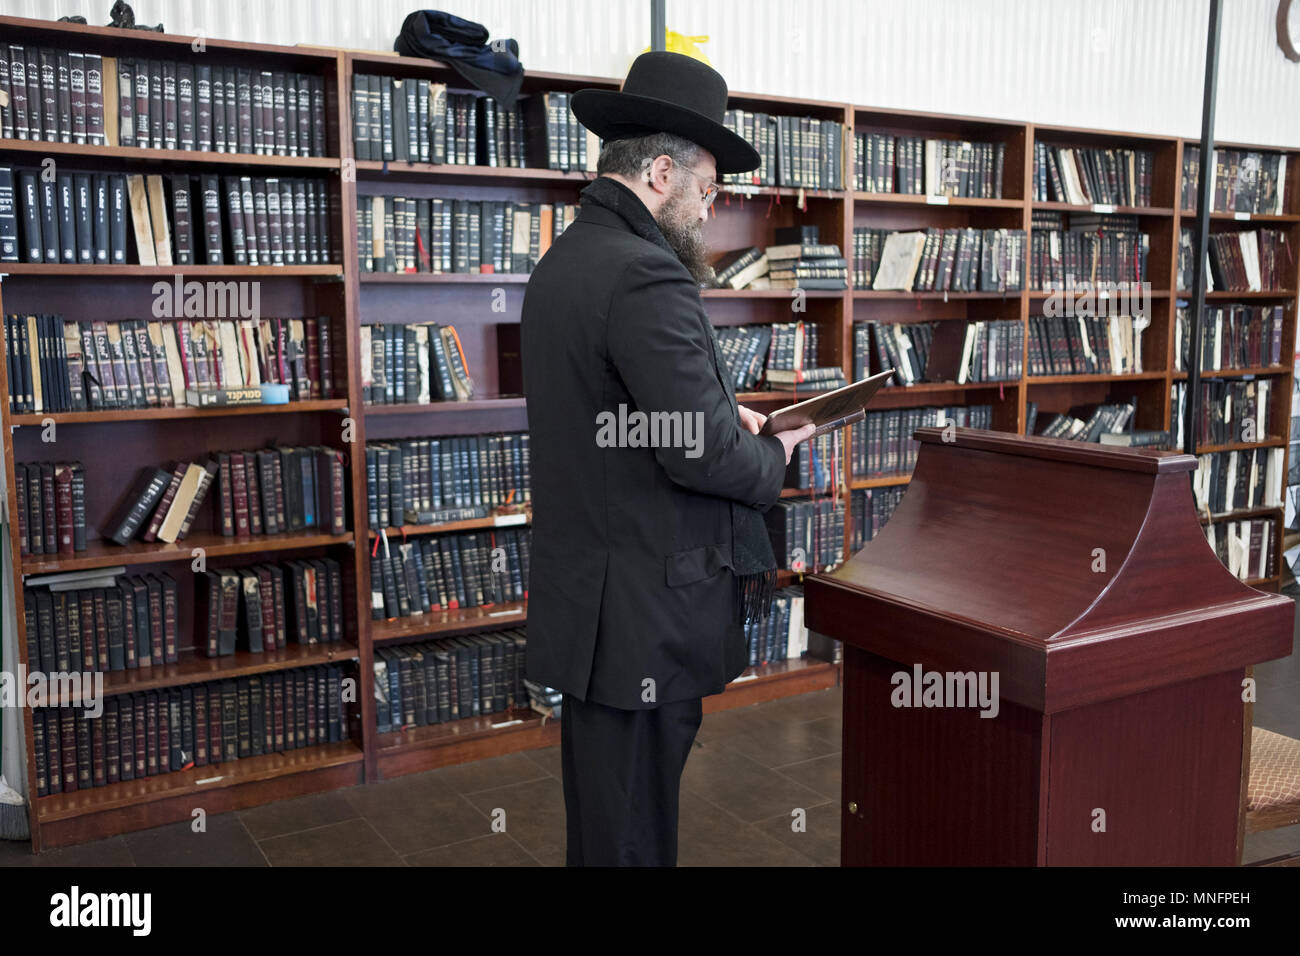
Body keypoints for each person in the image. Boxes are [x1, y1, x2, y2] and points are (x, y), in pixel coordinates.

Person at [520, 50, 816, 866]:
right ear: (660, 172)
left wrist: (728, 416)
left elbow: (633, 417)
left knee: (610, 822)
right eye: (709, 191)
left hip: (594, 604)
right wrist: (775, 450)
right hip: (644, 612)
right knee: (634, 835)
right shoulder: (647, 273)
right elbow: (697, 454)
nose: (710, 212)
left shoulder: (565, 262)